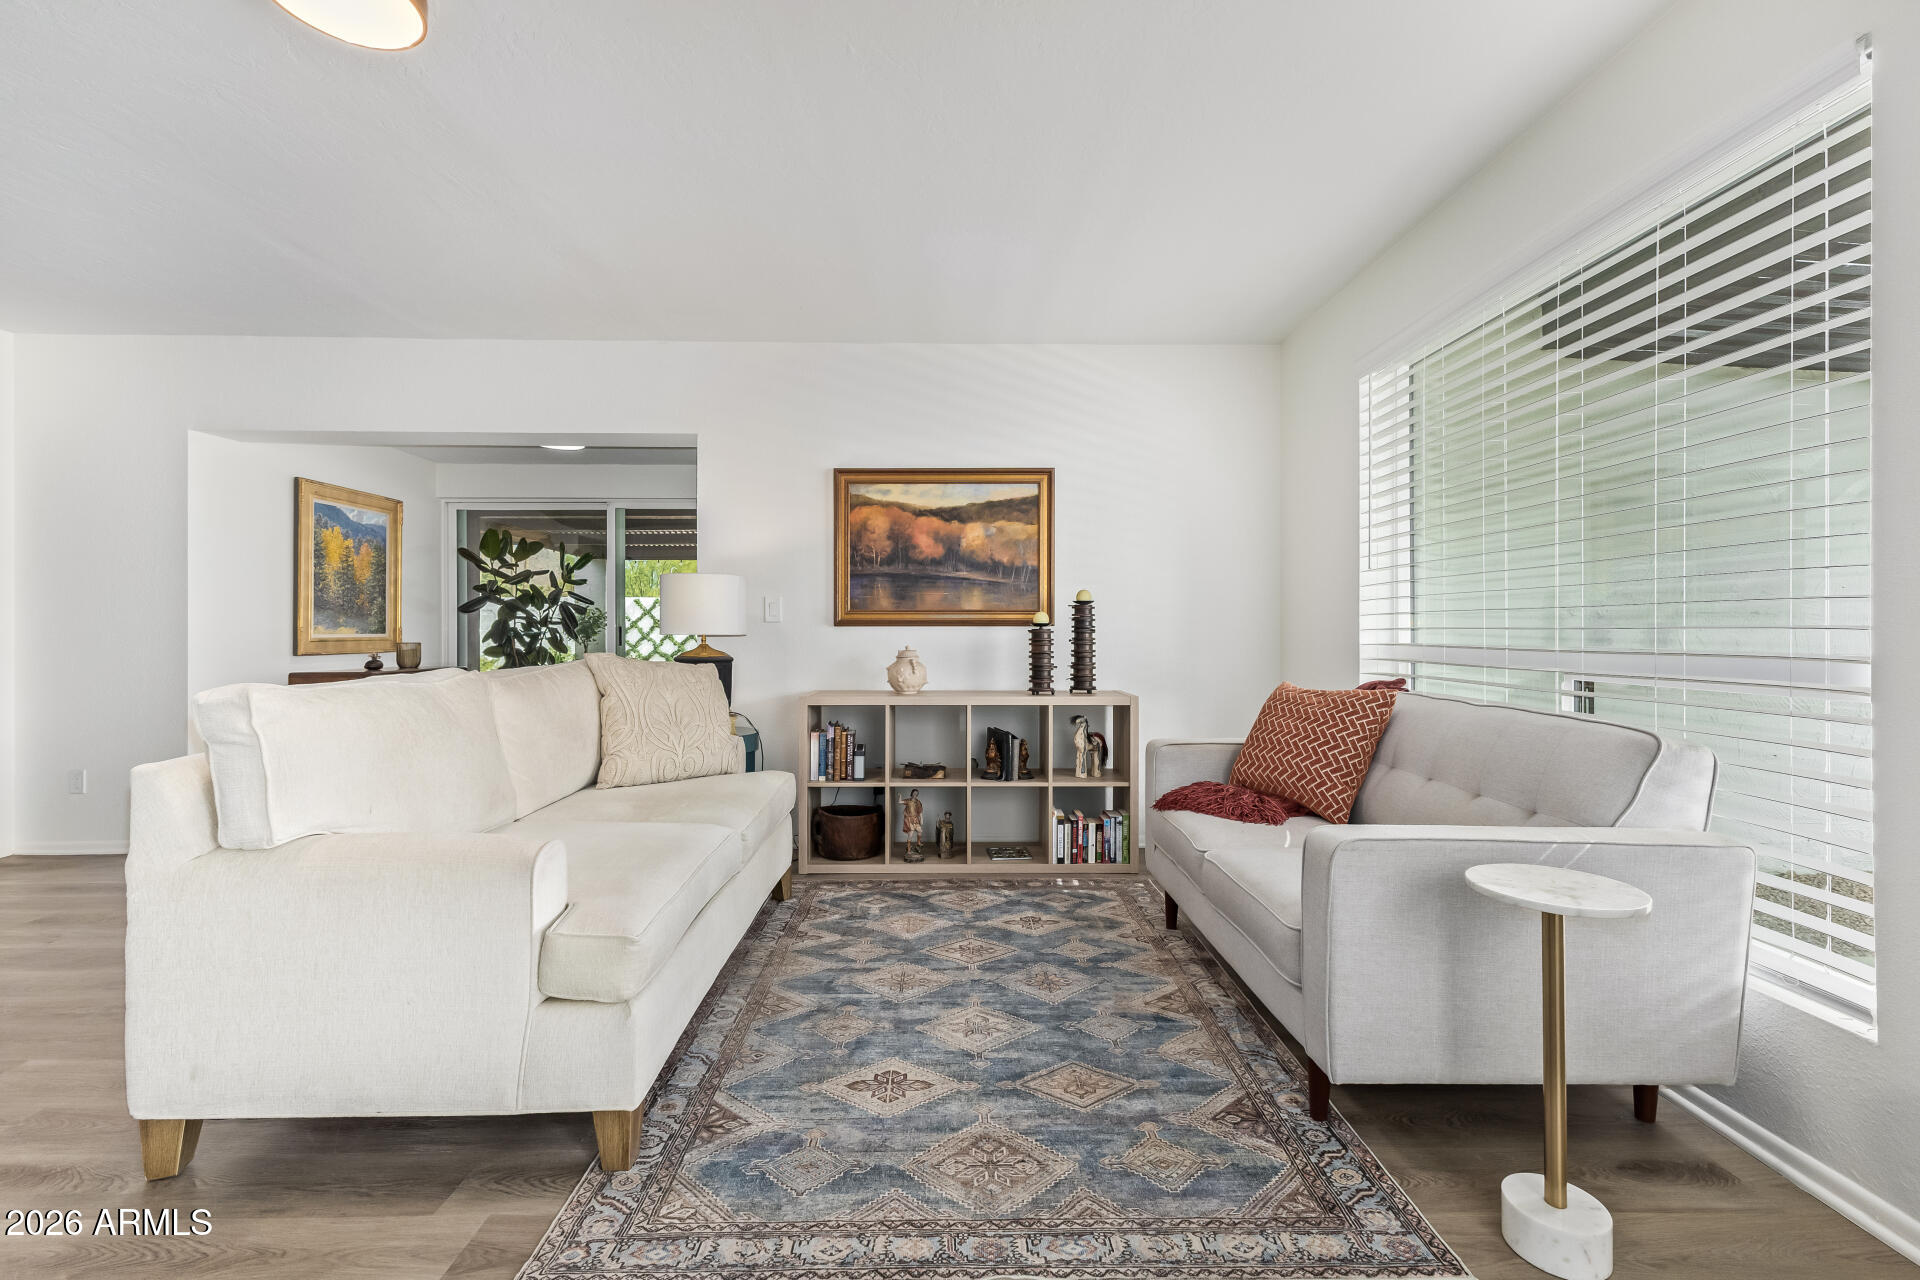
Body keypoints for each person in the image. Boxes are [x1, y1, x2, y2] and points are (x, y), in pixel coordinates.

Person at [901, 788, 925, 862]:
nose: (915, 794)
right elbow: (899, 802)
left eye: (916, 793)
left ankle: (918, 842)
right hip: (909, 819)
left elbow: (920, 812)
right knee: (910, 835)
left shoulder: (918, 802)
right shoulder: (908, 800)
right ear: (912, 793)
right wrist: (900, 796)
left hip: (915, 819)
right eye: (914, 793)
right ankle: (908, 850)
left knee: (920, 830)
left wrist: (921, 819)